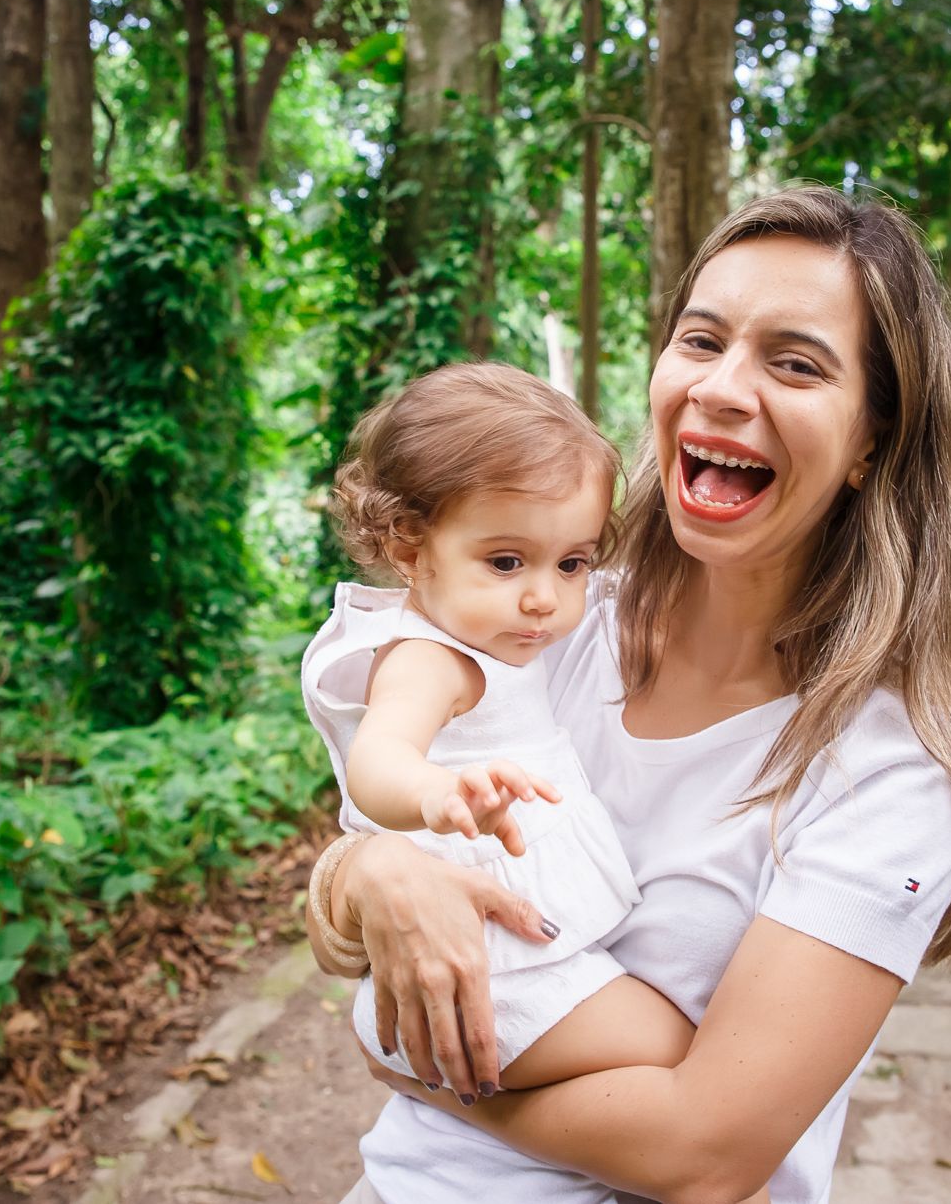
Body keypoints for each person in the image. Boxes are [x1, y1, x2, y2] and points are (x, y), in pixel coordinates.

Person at [307, 185, 951, 1204]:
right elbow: (351, 911)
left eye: (794, 362)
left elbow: (707, 1153)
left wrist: (420, 1062)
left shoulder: (894, 760)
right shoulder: (546, 622)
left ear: (873, 440)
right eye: (701, 340)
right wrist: (372, 873)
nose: (723, 389)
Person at [304, 365, 759, 1167]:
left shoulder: (499, 637)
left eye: (572, 563)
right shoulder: (430, 657)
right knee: (682, 1051)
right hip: (494, 969)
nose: (545, 598)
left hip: (516, 959)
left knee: (688, 1074)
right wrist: (433, 793)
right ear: (411, 548)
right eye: (507, 562)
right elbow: (377, 759)